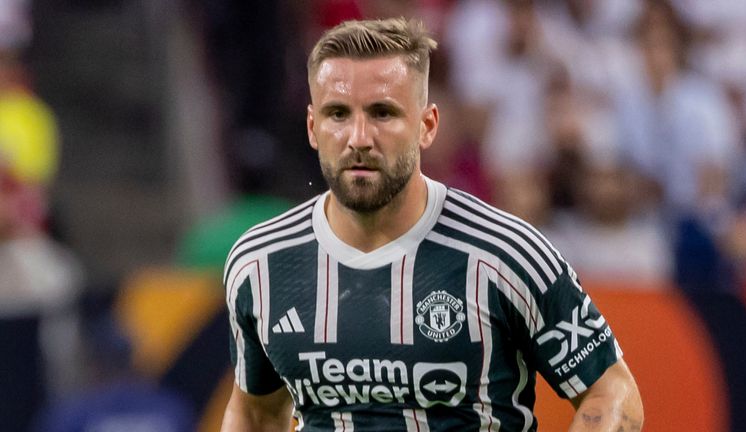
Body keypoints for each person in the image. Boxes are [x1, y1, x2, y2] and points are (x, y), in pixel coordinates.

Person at [220, 18, 643, 432]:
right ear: (312, 127)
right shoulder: (260, 264)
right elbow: (255, 413)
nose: (359, 137)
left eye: (383, 113)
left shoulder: (507, 255)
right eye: (338, 114)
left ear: (427, 126)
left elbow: (610, 393)